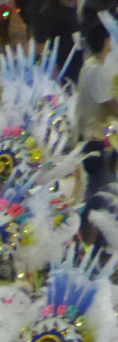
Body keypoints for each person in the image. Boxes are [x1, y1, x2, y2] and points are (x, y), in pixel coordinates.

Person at [78, 21, 118, 218]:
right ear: (106, 41)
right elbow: (111, 105)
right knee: (101, 196)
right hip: (97, 138)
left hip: (96, 133)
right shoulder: (97, 70)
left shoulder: (91, 65)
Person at [35, 0, 82, 81]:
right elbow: (41, 44)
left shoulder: (72, 9)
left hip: (76, 62)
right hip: (60, 67)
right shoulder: (48, 13)